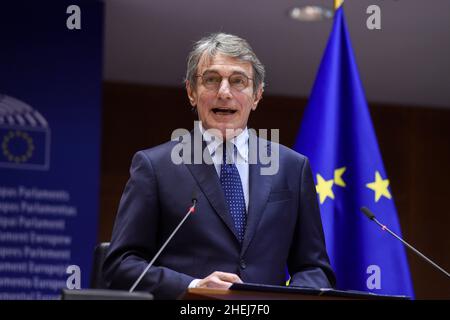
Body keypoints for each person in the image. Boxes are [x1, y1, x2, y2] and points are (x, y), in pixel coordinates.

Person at [102, 33, 335, 299]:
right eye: (211, 80)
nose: (224, 92)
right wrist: (192, 286)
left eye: (238, 81)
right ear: (191, 92)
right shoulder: (155, 167)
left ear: (257, 95)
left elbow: (313, 268)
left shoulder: (292, 168)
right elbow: (120, 266)